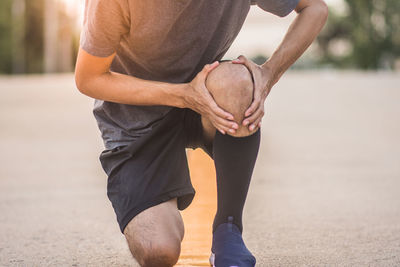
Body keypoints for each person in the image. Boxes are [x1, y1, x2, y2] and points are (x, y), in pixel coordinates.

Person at [75, 0, 328, 266]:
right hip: (135, 120)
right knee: (158, 251)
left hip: (205, 96)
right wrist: (183, 95)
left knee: (238, 83)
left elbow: (315, 8)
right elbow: (88, 77)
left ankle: (228, 230)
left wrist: (268, 75)